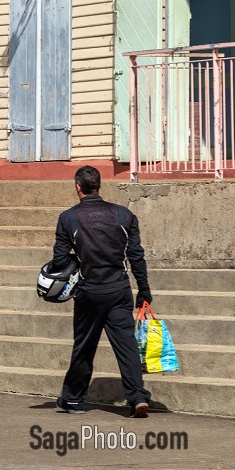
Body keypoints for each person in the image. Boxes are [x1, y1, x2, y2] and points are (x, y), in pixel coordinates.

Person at [52, 166, 154, 417]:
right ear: (99, 185)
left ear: (78, 187)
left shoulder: (69, 218)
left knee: (84, 346)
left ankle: (74, 400)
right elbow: (136, 256)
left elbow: (59, 259)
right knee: (126, 345)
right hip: (119, 288)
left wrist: (77, 259)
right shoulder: (124, 215)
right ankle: (137, 398)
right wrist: (144, 289)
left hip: (89, 292)